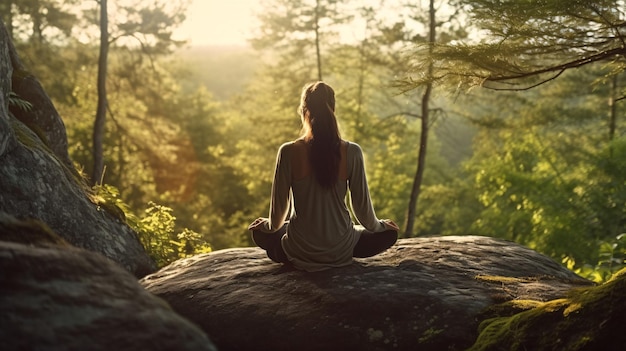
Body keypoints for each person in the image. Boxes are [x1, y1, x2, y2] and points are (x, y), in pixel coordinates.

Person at [248, 81, 398, 272]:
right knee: (388, 235)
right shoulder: (352, 151)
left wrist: (267, 226)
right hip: (341, 249)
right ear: (333, 109)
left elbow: (277, 217)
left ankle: (284, 253)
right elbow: (362, 211)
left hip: (299, 250)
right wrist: (381, 226)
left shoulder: (288, 152)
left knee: (261, 234)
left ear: (303, 111)